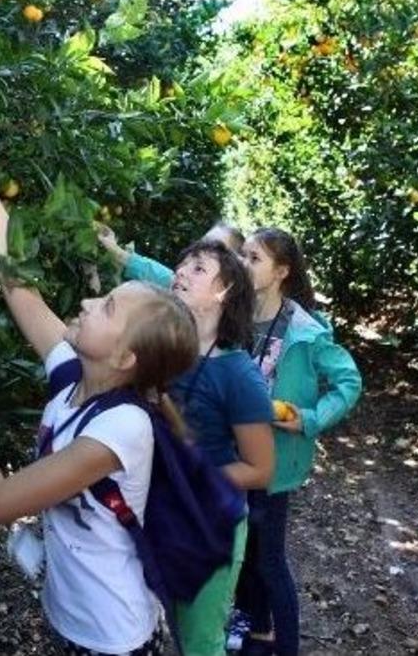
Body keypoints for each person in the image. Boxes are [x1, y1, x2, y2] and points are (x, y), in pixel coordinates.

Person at [0, 85, 199, 656]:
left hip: (111, 640)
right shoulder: (76, 371)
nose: (85, 304)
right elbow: (11, 273)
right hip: (71, 618)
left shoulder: (122, 428)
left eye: (106, 308)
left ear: (126, 357)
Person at [233, 227, 363, 656]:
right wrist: (122, 256)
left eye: (254, 259)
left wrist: (309, 419)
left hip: (272, 462)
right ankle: (259, 633)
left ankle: (285, 646)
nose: (243, 264)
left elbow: (348, 381)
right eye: (244, 255)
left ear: (281, 272)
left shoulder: (304, 330)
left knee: (269, 562)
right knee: (243, 554)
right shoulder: (234, 311)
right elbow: (173, 282)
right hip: (232, 455)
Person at [164, 240, 274, 655]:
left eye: (198, 268)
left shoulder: (237, 374)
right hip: (158, 515)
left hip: (210, 526)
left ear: (223, 292)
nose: (180, 272)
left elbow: (259, 469)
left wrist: (191, 476)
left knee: (200, 644)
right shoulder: (163, 349)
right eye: (184, 263)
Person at [98, 222, 245, 288]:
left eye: (216, 248)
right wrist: (114, 249)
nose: (203, 250)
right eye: (203, 242)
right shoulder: (177, 282)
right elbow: (151, 271)